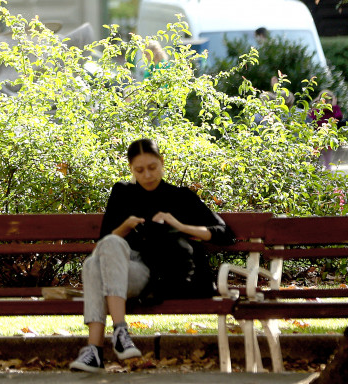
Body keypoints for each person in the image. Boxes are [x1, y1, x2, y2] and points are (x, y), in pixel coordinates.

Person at [69, 138, 235, 372]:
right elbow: (102, 246)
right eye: (139, 170)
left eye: (152, 167)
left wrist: (180, 225)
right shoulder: (122, 193)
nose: (147, 175)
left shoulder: (180, 197)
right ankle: (119, 333)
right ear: (131, 168)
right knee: (103, 252)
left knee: (91, 267)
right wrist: (124, 227)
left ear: (162, 162)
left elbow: (225, 234)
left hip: (152, 274)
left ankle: (95, 349)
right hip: (119, 267)